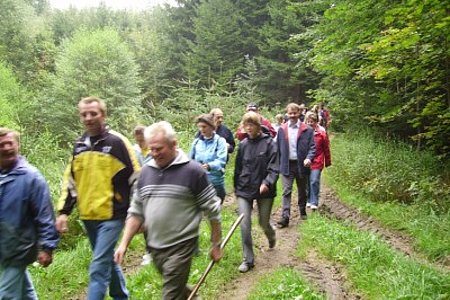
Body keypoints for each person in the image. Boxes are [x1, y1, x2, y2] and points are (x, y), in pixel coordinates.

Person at [114, 121, 222, 299]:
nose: (154, 154)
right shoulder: (146, 173)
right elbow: (136, 211)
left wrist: (216, 244)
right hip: (155, 247)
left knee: (170, 294)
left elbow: (213, 210)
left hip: (182, 245)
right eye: (152, 149)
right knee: (176, 286)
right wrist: (123, 244)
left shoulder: (193, 172)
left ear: (174, 144)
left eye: (159, 149)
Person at [56, 96, 140, 300]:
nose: (88, 118)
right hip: (88, 216)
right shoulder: (79, 145)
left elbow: (136, 178)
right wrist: (63, 212)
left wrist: (138, 212)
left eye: (93, 113)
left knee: (98, 265)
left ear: (103, 115)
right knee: (106, 261)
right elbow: (71, 181)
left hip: (113, 215)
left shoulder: (117, 142)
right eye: (84, 114)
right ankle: (121, 297)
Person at [0, 128, 59, 299]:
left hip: (20, 247)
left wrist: (47, 247)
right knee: (25, 293)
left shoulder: (31, 177)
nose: (6, 148)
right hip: (4, 248)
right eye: (1, 145)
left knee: (6, 295)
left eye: (10, 143)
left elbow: (45, 214)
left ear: (17, 145)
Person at [234, 112, 278, 273]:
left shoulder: (270, 144)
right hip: (245, 189)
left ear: (258, 126)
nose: (248, 128)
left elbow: (274, 167)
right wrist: (236, 187)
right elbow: (238, 168)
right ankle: (248, 260)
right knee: (244, 224)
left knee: (263, 222)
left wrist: (267, 182)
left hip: (264, 190)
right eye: (246, 125)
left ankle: (270, 234)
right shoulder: (244, 144)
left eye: (251, 125)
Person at [277, 103, 316, 227]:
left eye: (295, 113)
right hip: (286, 165)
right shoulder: (282, 129)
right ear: (287, 114)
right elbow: (277, 148)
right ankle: (285, 217)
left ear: (299, 113)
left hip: (301, 165)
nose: (292, 115)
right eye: (290, 113)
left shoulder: (307, 130)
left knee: (302, 190)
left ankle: (302, 210)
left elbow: (312, 147)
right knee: (286, 191)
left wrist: (309, 158)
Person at [190, 114, 228, 204]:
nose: (201, 129)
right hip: (199, 182)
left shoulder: (220, 141)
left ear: (212, 127)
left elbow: (221, 160)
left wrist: (209, 165)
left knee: (215, 211)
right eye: (199, 127)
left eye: (204, 127)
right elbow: (190, 161)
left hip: (215, 182)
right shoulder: (196, 142)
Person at [305, 112, 331, 210]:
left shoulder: (322, 133)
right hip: (306, 161)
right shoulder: (304, 132)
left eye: (312, 121)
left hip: (318, 160)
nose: (310, 123)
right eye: (308, 121)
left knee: (314, 180)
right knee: (307, 182)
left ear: (316, 122)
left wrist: (327, 161)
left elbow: (326, 148)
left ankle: (314, 201)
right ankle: (308, 199)